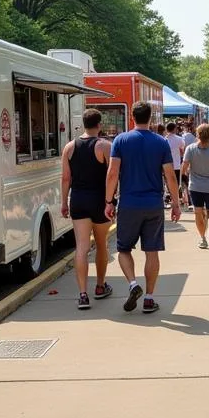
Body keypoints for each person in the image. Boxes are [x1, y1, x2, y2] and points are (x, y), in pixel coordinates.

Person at [105, 101, 181, 314]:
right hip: (153, 205)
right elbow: (170, 177)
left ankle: (132, 284)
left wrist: (108, 201)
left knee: (123, 249)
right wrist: (175, 203)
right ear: (151, 118)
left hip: (129, 204)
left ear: (132, 117)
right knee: (152, 251)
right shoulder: (161, 142)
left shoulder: (121, 140)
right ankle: (149, 298)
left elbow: (112, 173)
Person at [61, 109, 113, 310]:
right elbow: (112, 175)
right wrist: (111, 200)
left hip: (78, 200)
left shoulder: (69, 147)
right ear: (99, 125)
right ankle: (100, 286)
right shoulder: (104, 146)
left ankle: (83, 294)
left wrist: (64, 202)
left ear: (83, 124)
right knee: (101, 244)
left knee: (81, 247)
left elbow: (66, 178)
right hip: (100, 200)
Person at [184, 123, 209, 248]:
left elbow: (184, 167)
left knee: (198, 212)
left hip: (195, 185)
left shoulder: (190, 149)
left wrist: (187, 173)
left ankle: (202, 239)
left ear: (197, 135)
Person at [164, 121, 186, 201]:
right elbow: (182, 151)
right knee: (176, 182)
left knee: (167, 182)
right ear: (174, 129)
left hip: (166, 165)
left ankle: (170, 196)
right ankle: (175, 197)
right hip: (176, 164)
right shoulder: (179, 139)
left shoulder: (164, 140)